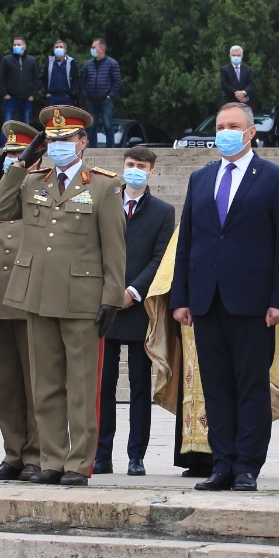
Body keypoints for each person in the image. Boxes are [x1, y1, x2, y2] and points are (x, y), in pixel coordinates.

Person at [0, 105, 126, 485]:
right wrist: (19, 165)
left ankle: (79, 463)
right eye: (51, 139)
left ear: (82, 142)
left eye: (65, 139)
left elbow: (114, 247)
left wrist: (112, 296)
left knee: (80, 386)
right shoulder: (33, 180)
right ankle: (51, 458)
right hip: (37, 295)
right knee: (45, 384)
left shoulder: (103, 184)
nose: (58, 145)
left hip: (82, 297)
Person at [170, 102, 279, 491]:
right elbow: (188, 240)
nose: (225, 131)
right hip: (206, 299)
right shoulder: (200, 178)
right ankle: (222, 462)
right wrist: (181, 297)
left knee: (250, 385)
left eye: (234, 125)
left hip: (253, 301)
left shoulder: (275, 178)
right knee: (216, 385)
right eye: (220, 125)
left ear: (250, 132)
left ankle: (247, 464)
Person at [94, 147, 175, 476]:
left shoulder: (162, 211)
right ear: (122, 167)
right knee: (104, 384)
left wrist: (132, 291)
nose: (135, 170)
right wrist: (110, 291)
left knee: (140, 385)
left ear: (152, 172)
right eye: (130, 165)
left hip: (140, 307)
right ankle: (101, 453)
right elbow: (93, 249)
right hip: (104, 306)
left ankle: (136, 454)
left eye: (141, 166)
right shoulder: (105, 202)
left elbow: (160, 258)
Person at [0, 122, 42, 481]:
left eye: (19, 155)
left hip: (29, 296)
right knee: (7, 382)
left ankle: (36, 453)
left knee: (35, 382)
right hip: (0, 296)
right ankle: (13, 452)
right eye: (8, 155)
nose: (12, 161)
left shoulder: (38, 190)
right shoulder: (0, 196)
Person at [79, 39, 122, 148]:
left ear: (101, 49)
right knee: (91, 126)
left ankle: (110, 148)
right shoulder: (88, 65)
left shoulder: (112, 63)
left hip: (105, 100)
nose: (92, 49)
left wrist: (110, 95)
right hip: (91, 100)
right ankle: (92, 148)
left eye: (94, 47)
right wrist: (85, 95)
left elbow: (117, 81)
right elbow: (82, 81)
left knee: (108, 125)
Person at [0, 37, 40, 124]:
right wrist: (5, 93)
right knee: (8, 125)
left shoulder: (32, 60)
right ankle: (7, 138)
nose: (16, 46)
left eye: (18, 44)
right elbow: (2, 78)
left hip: (27, 99)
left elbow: (36, 78)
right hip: (11, 98)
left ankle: (25, 138)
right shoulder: (6, 60)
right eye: (14, 45)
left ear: (24, 46)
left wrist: (33, 95)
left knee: (25, 125)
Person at [44, 39, 76, 107]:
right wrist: (46, 92)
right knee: (52, 117)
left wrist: (72, 93)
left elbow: (76, 79)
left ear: (65, 50)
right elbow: (42, 78)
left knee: (66, 117)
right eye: (56, 47)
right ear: (53, 50)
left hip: (67, 97)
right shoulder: (49, 62)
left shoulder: (71, 62)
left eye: (61, 47)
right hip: (52, 97)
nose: (59, 48)